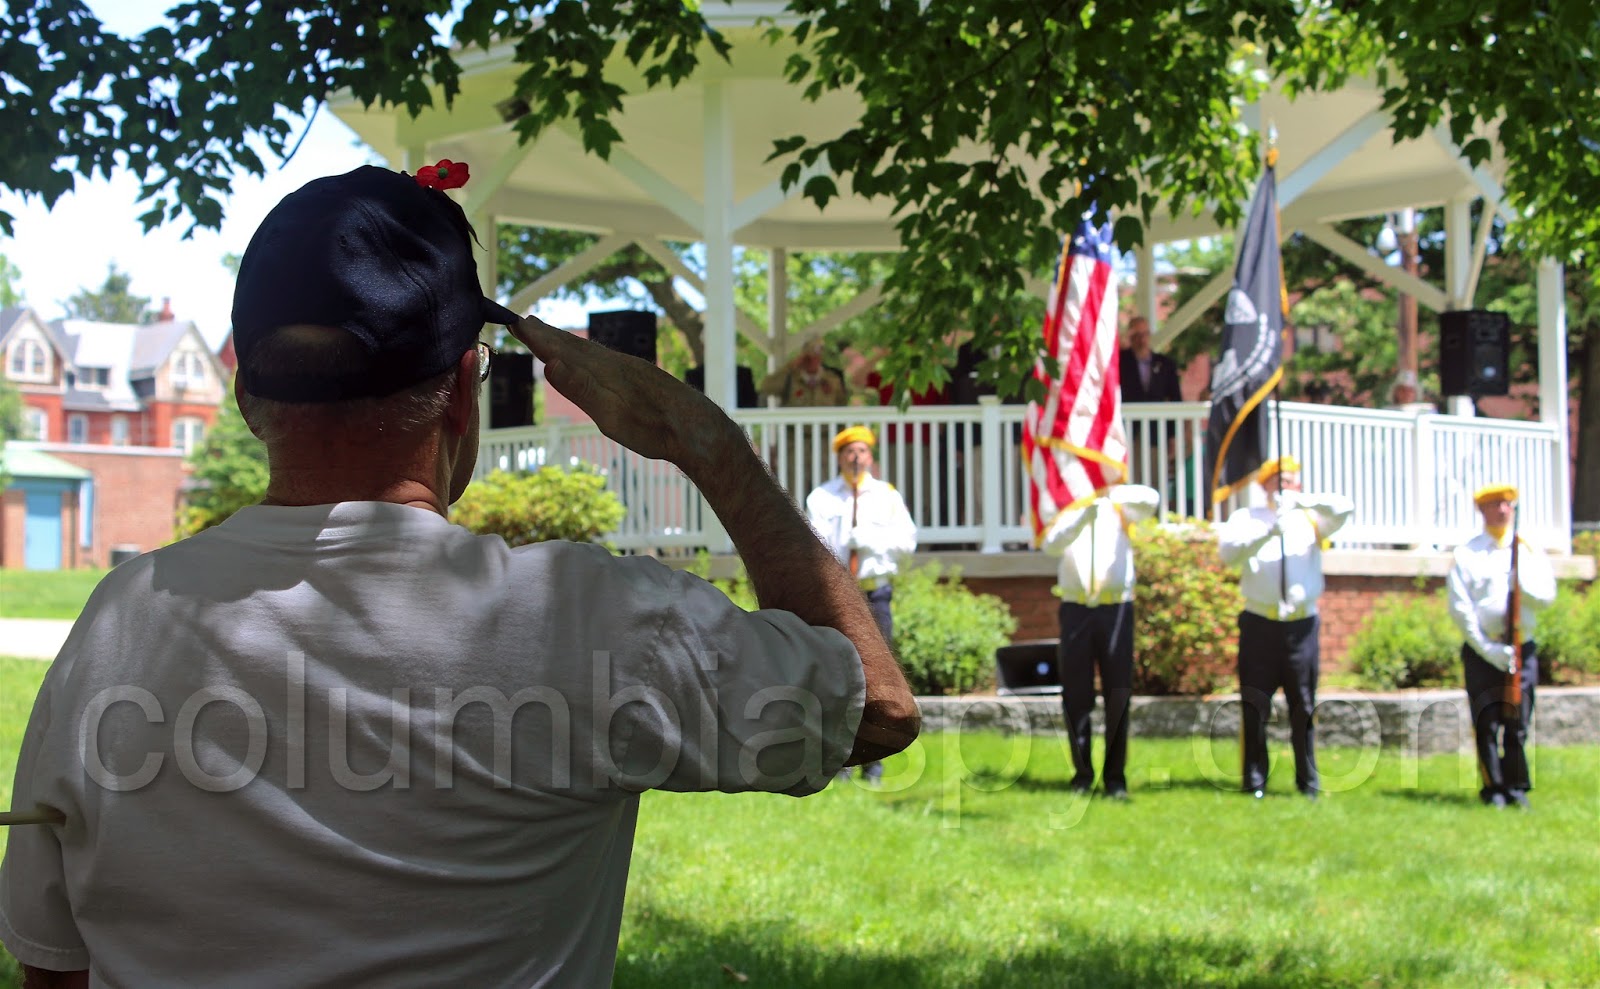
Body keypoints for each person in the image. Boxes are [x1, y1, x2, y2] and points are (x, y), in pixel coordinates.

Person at [0, 164, 920, 988]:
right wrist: (705, 440)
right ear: (461, 390)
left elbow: (55, 963)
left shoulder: (117, 627)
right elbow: (877, 706)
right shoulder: (588, 621)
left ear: (247, 398)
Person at [1217, 455, 1353, 800]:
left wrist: (1302, 503)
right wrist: (1266, 532)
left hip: (1300, 626)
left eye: (1289, 480)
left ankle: (1307, 780)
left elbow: (1344, 509)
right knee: (1255, 703)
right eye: (1277, 481)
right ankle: (1254, 779)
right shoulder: (1246, 518)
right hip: (1259, 623)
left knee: (1303, 704)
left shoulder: (1310, 518)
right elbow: (1228, 556)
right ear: (1263, 486)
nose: (1283, 487)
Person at [805, 426, 919, 785]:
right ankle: (840, 760)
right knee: (839, 675)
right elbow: (813, 545)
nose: (856, 458)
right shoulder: (822, 498)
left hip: (875, 592)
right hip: (840, 596)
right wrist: (843, 545)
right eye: (849, 452)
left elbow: (907, 543)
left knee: (878, 679)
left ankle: (874, 762)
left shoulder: (886, 496)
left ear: (871, 456)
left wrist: (872, 542)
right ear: (839, 457)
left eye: (862, 451)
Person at [1040, 484, 1161, 800]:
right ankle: (1082, 775)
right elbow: (1050, 545)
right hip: (1076, 608)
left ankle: (1115, 778)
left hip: (1115, 608)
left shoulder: (1120, 505)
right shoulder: (1066, 505)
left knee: (1118, 693)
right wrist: (1081, 515)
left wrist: (1111, 493)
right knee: (1076, 694)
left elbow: (1150, 502)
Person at [1446, 484, 1557, 809]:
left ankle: (1516, 786)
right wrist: (1487, 649)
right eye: (1495, 504)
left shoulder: (1528, 550)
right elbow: (1461, 609)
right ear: (1482, 510)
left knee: (1517, 721)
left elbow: (1547, 597)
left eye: (1507, 504)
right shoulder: (1467, 553)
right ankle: (1492, 788)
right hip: (1483, 651)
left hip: (1522, 648)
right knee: (1486, 721)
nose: (1503, 510)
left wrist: (1523, 583)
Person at [758, 339, 848, 407]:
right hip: (795, 426)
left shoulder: (832, 380)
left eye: (816, 356)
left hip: (825, 427)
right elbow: (766, 387)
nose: (813, 361)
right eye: (808, 358)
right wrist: (790, 366)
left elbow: (842, 407)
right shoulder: (790, 378)